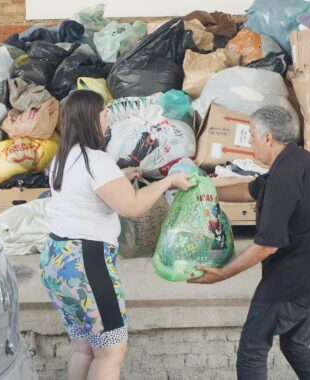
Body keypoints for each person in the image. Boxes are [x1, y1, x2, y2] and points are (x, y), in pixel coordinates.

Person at [39, 90, 194, 380]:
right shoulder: (97, 160)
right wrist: (169, 182)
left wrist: (121, 177)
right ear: (91, 118)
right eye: (103, 112)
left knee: (83, 349)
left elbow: (85, 190)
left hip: (56, 260)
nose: (107, 117)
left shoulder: (63, 157)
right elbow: (131, 206)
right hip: (86, 263)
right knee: (111, 351)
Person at [189, 105, 310, 380]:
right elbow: (251, 190)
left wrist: (222, 274)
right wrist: (203, 189)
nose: (250, 144)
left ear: (268, 137)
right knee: (296, 346)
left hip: (289, 284)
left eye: (251, 137)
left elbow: (267, 245)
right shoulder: (302, 161)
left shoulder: (286, 175)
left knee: (252, 349)